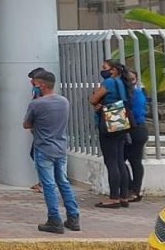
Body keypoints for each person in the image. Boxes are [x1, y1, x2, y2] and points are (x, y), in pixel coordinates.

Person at [24, 69, 80, 234]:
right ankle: (73, 216)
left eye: (35, 84)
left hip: (43, 148)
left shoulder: (36, 104)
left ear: (41, 85)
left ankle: (54, 219)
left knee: (48, 185)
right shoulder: (64, 101)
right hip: (60, 148)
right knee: (63, 182)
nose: (34, 87)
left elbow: (26, 124)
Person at [89, 60, 132, 208]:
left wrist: (95, 98)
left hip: (109, 121)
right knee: (120, 160)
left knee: (111, 161)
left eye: (105, 68)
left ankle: (114, 198)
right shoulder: (123, 82)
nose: (103, 70)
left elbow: (93, 99)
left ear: (113, 70)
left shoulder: (109, 82)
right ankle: (124, 196)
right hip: (121, 120)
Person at [125, 69, 148, 203]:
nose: (130, 82)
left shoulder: (137, 94)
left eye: (132, 79)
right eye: (128, 79)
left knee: (134, 161)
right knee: (122, 160)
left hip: (137, 129)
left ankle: (135, 190)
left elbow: (137, 113)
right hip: (129, 129)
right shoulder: (127, 93)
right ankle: (131, 188)